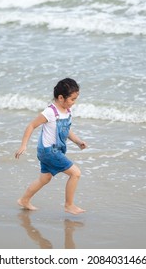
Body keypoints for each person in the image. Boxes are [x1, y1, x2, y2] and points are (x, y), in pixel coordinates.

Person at [15, 78, 87, 215]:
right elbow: (31, 126)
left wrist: (78, 141)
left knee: (45, 178)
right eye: (72, 99)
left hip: (52, 150)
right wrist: (23, 145)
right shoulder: (50, 112)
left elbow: (66, 131)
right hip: (49, 151)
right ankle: (69, 205)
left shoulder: (67, 111)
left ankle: (24, 200)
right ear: (61, 97)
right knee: (75, 173)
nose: (74, 103)